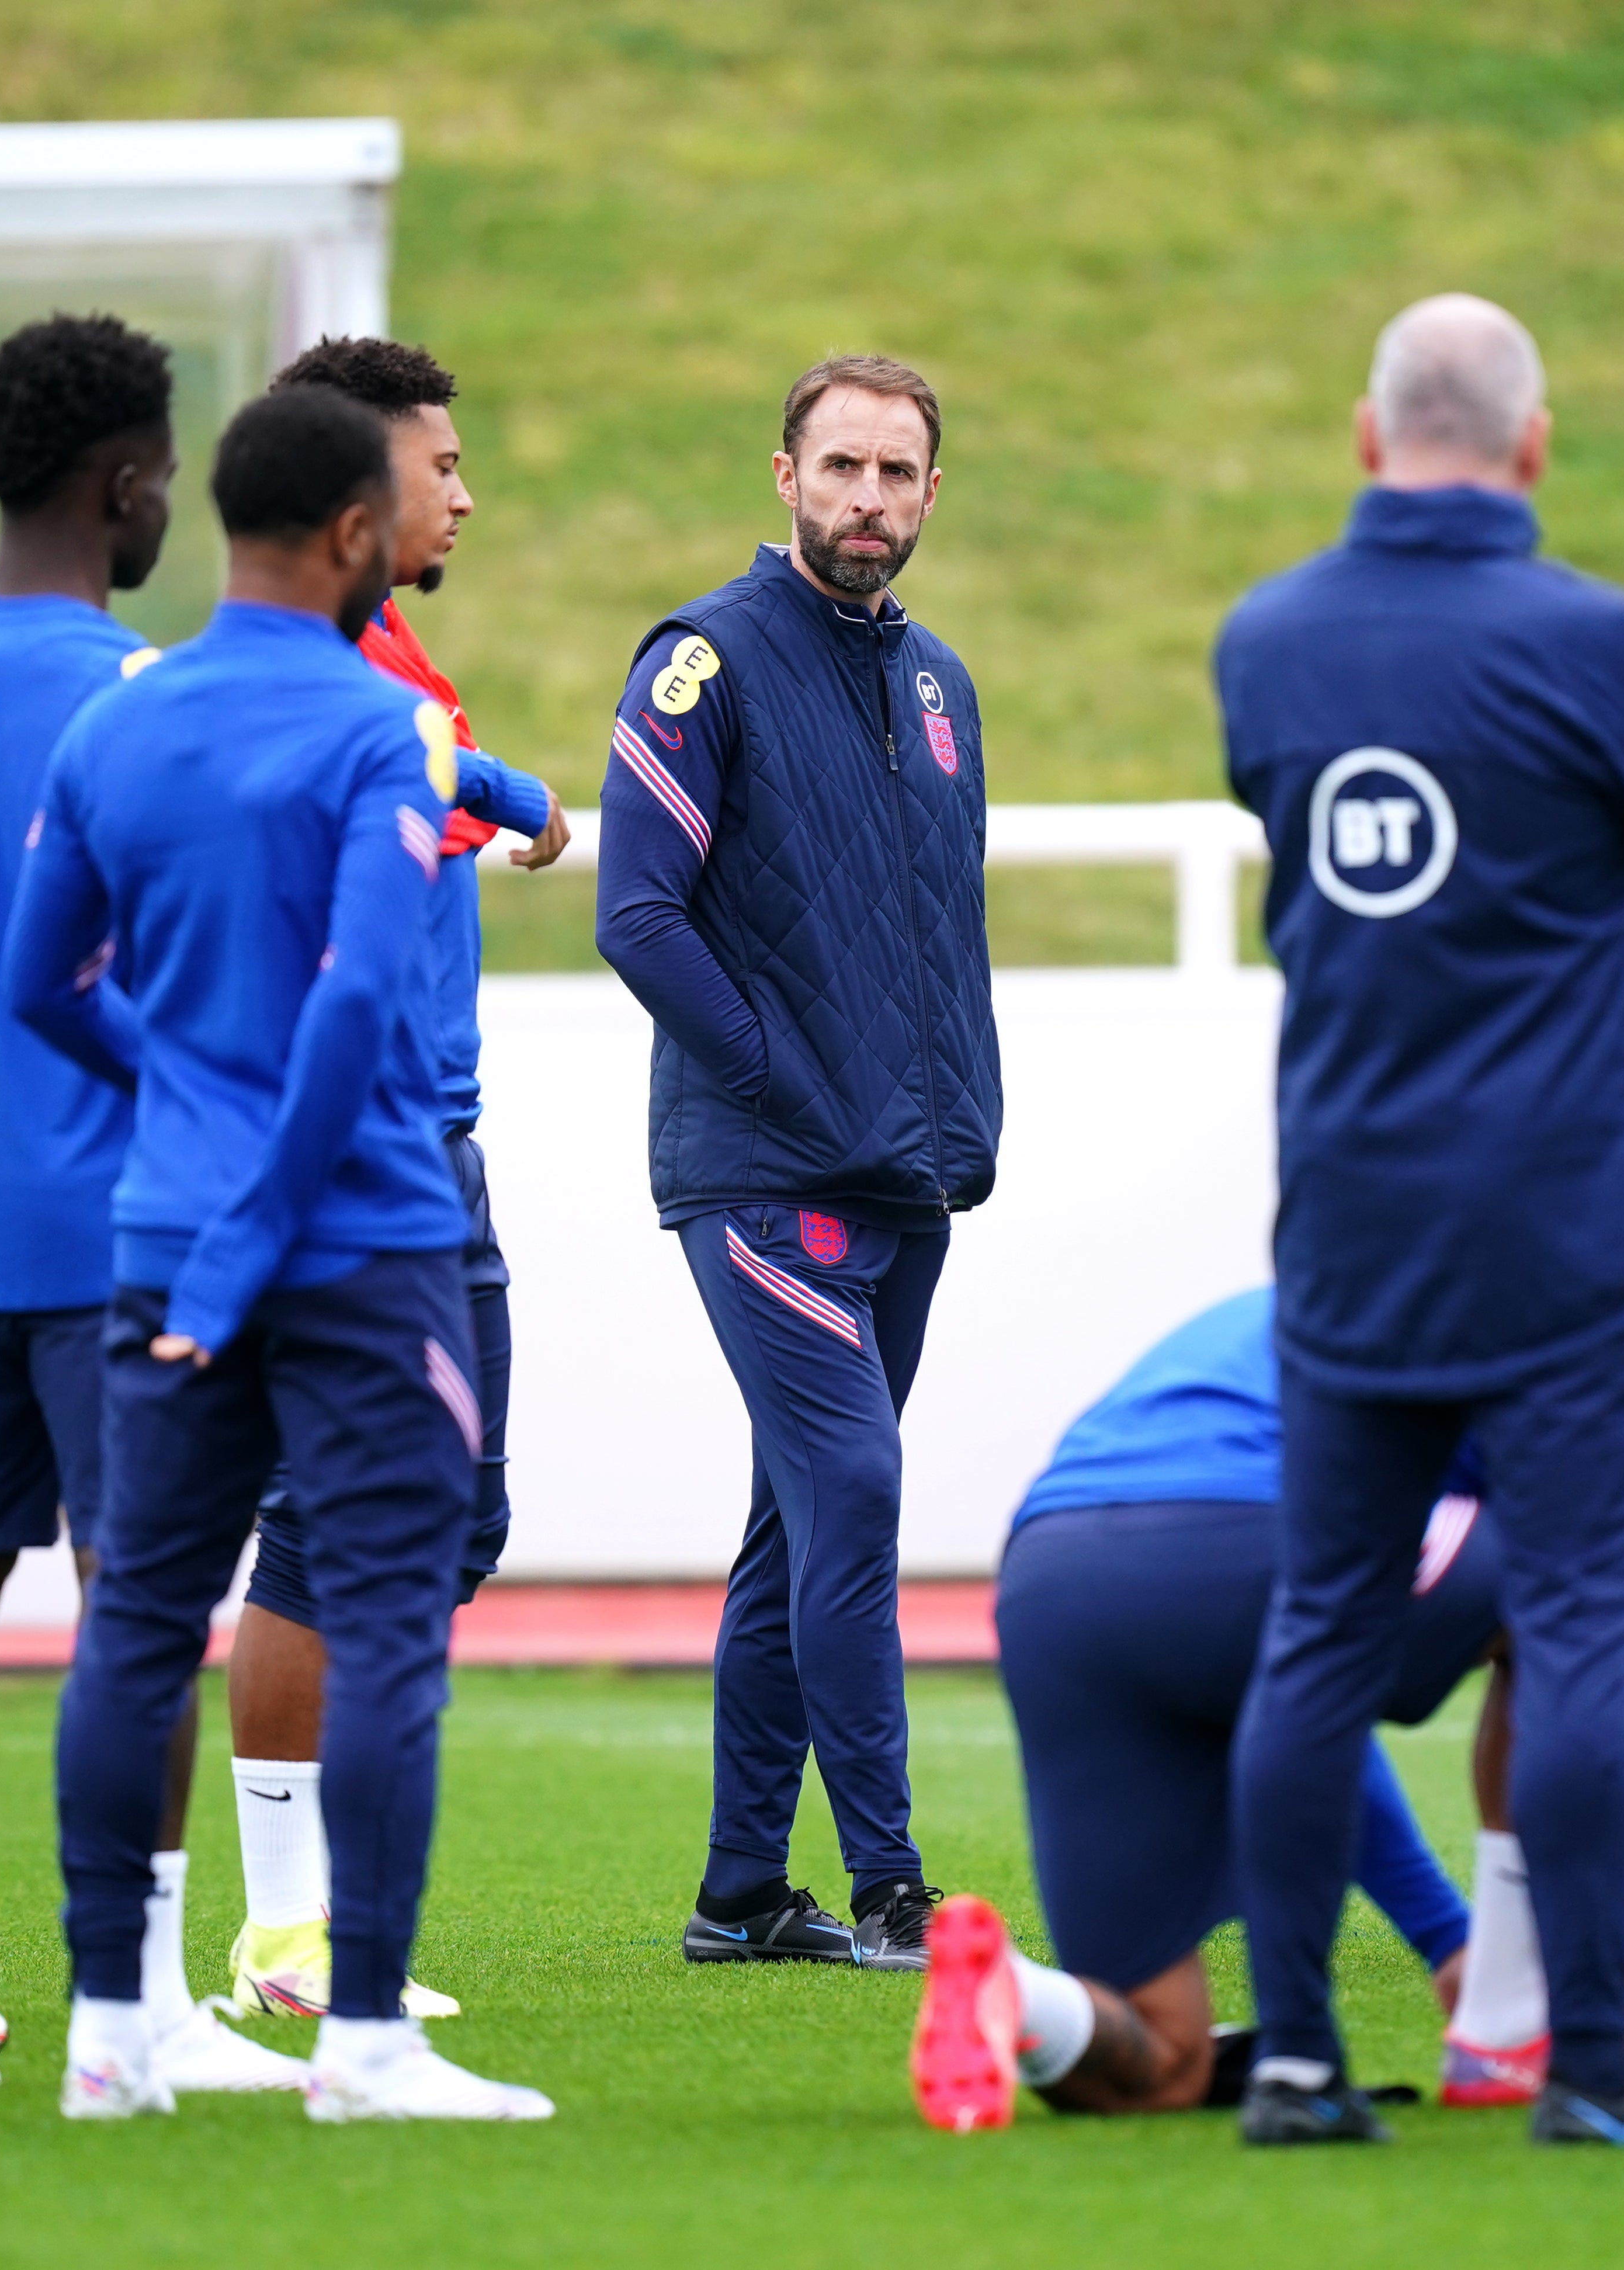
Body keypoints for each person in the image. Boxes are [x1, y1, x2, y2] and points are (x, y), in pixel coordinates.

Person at [1218, 294, 1624, 2148]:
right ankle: (1587, 2071)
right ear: (1534, 446)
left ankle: (1301, 2059)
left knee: (1316, 1630)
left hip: (1352, 1217)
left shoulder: (1267, 640)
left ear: (1363, 435)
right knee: (1570, 1634)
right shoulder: (1597, 644)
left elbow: (1313, 884)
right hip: (1564, 1225)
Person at [5, 381, 550, 2122]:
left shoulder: (118, 716)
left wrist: (184, 1108)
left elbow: (39, 985)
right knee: (388, 1626)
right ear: (345, 533)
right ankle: (364, 2037)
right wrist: (260, 1214)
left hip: (163, 1236)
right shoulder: (382, 728)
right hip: (358, 1240)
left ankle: (111, 2027)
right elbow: (351, 1011)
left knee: (140, 1628)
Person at [0, 314, 290, 2094]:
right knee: (142, 1606)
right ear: (125, 483)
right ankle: (142, 2000)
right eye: (165, 474)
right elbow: (190, 984)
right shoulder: (146, 696)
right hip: (124, 1228)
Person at [594, 354, 1001, 1973]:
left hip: (906, 1176)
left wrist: (956, 1110)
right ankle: (893, 1881)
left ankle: (741, 1892)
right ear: (783, 476)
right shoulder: (704, 659)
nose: (868, 502)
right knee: (851, 1489)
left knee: (796, 1527)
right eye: (841, 468)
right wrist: (781, 1081)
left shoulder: (942, 683)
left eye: (897, 474)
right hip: (764, 1172)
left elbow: (943, 932)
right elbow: (637, 911)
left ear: (927, 492)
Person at [905, 1288, 1624, 2134]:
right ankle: (1504, 2025)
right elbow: (1611, 1667)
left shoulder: (1299, 1296)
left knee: (1163, 2062)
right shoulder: (1528, 1316)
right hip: (1249, 1525)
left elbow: (1307, 1715)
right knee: (1576, 1607)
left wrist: (1440, 1935)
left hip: (1053, 1583)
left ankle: (1020, 1993)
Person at [220, 335, 569, 2023]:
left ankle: (304, 1920)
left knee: (441, 1520)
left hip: (429, 1138)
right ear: (358, 500)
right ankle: (297, 1930)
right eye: (441, 464)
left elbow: (438, 783)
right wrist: (504, 791)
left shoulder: (385, 654)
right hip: (376, 1154)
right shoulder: (320, 680)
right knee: (332, 1524)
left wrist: (502, 794)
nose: (466, 491)